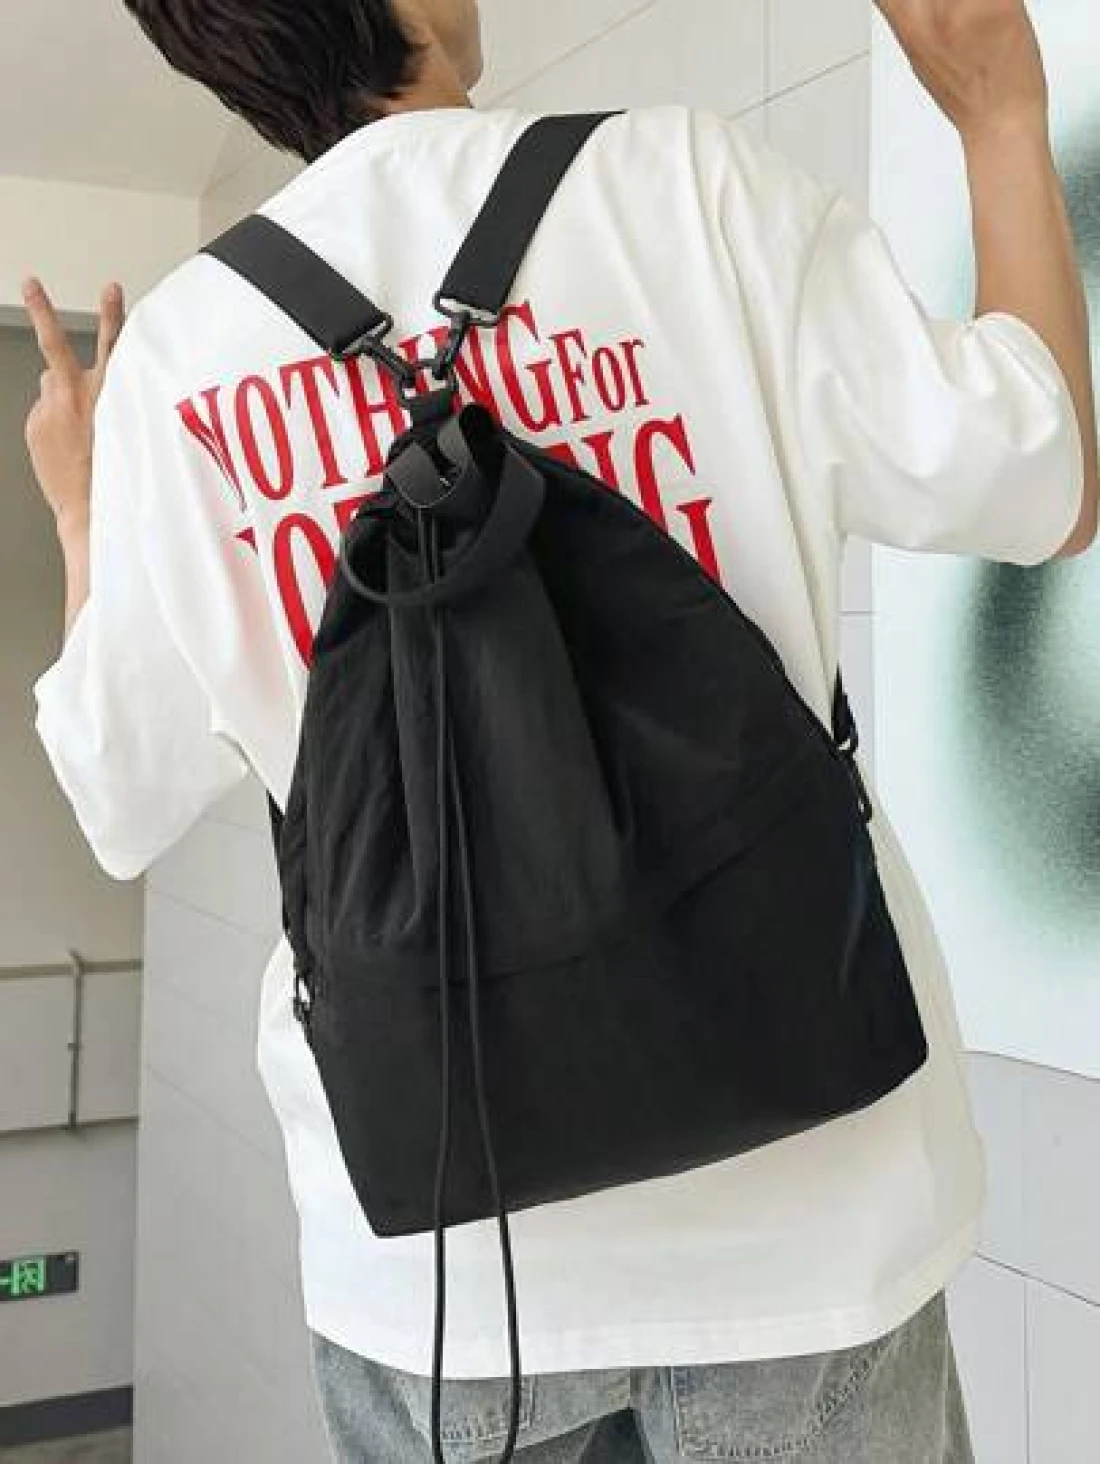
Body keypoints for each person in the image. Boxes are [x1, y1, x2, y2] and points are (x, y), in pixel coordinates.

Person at [23, 1, 1096, 1459]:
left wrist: (84, 511)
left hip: (436, 1270)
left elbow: (119, 792)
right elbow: (1042, 477)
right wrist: (1001, 119)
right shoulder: (685, 186)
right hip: (807, 1215)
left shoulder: (182, 358)